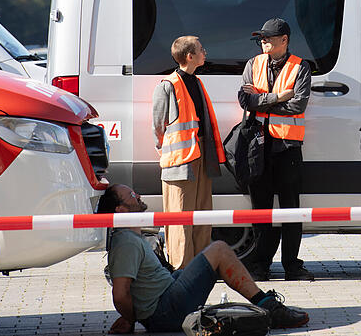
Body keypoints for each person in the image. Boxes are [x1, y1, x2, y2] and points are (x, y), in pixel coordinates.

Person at [98, 183, 309, 334]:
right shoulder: (126, 242)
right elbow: (120, 293)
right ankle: (271, 308)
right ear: (120, 210)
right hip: (165, 311)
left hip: (166, 299)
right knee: (219, 250)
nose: (138, 195)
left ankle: (267, 305)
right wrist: (130, 319)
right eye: (131, 194)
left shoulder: (131, 237)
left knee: (204, 260)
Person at [237, 17, 314, 282]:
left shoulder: (300, 67)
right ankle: (261, 266)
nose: (263, 42)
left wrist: (261, 102)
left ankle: (292, 266)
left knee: (291, 210)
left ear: (284, 40)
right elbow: (245, 100)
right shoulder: (253, 63)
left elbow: (298, 105)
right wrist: (278, 97)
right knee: (261, 210)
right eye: (261, 39)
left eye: (268, 38)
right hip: (258, 147)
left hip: (287, 147)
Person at [152, 35, 225, 270]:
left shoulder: (197, 82)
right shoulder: (168, 85)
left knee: (202, 215)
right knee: (180, 217)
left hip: (202, 154)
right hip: (180, 160)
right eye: (201, 49)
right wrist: (168, 153)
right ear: (190, 56)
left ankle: (202, 269)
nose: (205, 52)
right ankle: (182, 270)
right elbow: (158, 127)